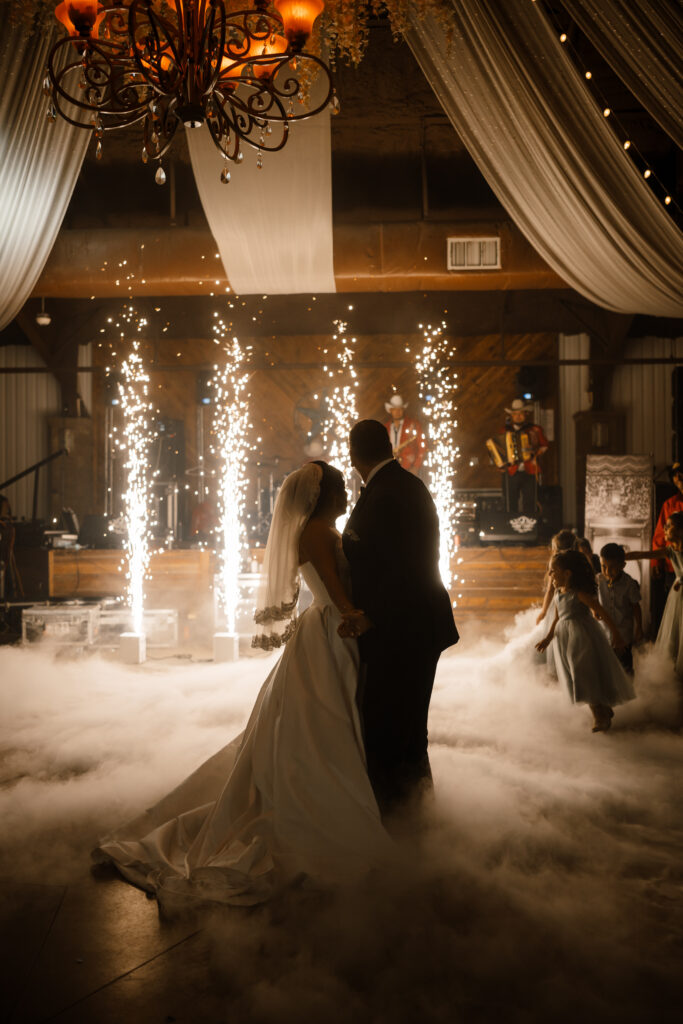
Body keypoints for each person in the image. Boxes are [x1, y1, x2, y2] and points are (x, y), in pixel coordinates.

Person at [94, 461, 393, 906]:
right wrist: (356, 615)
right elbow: (334, 589)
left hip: (328, 631)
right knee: (325, 723)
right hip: (333, 630)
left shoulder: (319, 529)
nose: (347, 495)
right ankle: (329, 807)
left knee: (321, 721)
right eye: (340, 489)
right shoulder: (314, 532)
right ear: (323, 497)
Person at [340, 420, 459, 815]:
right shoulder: (406, 484)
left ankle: (397, 820)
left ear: (354, 452)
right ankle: (419, 815)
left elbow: (401, 567)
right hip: (417, 623)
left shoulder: (387, 494)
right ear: (388, 446)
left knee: (387, 729)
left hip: (400, 630)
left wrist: (372, 616)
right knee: (407, 730)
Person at [535, 549, 635, 732]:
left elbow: (602, 611)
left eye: (552, 571)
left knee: (583, 674)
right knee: (575, 675)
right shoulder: (558, 593)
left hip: (581, 636)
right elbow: (558, 618)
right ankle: (603, 709)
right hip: (563, 638)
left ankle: (600, 716)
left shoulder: (578, 594)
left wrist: (617, 634)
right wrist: (548, 638)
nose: (550, 575)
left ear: (567, 574)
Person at [624, 511, 683, 677]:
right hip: (677, 595)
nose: (664, 529)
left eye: (669, 526)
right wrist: (623, 556)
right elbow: (644, 554)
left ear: (680, 531)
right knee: (676, 629)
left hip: (680, 588)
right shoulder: (670, 551)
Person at [486, 399, 548, 517]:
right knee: (510, 501)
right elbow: (499, 448)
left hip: (530, 469)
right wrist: (500, 463)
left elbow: (544, 445)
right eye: (515, 414)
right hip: (511, 470)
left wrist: (535, 454)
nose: (518, 416)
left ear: (525, 414)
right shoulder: (505, 431)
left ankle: (529, 526)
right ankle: (511, 526)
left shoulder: (534, 429)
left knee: (530, 500)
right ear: (511, 415)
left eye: (520, 413)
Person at [598, 543, 643, 675]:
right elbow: (593, 600)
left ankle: (629, 691)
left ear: (622, 566)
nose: (607, 571)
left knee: (625, 667)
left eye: (612, 568)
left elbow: (636, 606)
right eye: (603, 566)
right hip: (604, 633)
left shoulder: (629, 584)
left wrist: (639, 627)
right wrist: (594, 610)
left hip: (624, 634)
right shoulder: (598, 580)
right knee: (605, 667)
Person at [536, 529, 577, 625]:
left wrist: (543, 612)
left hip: (560, 606)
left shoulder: (557, 564)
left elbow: (550, 590)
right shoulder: (578, 562)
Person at [384, 394, 426, 474]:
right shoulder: (386, 427)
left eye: (400, 409)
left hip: (409, 468)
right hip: (390, 469)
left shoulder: (413, 425)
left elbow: (422, 447)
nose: (397, 412)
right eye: (394, 409)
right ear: (390, 410)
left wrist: (416, 467)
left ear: (403, 410)